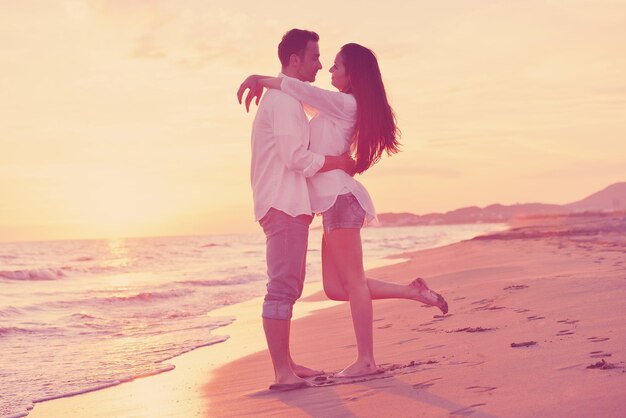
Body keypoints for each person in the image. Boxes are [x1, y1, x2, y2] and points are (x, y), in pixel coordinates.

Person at [239, 42, 449, 379]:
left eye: (336, 66)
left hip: (339, 198)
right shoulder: (336, 107)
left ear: (353, 75)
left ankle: (366, 360)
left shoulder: (344, 103)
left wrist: (259, 78)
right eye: (326, 63)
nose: (329, 70)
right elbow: (297, 97)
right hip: (330, 203)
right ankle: (414, 292)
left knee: (351, 283)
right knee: (337, 288)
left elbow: (295, 87)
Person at [239, 29, 356, 391]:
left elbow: (311, 106)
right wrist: (338, 161)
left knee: (289, 284)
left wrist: (262, 78)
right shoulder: (285, 102)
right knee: (282, 287)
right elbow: (296, 158)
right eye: (315, 57)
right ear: (294, 60)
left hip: (285, 201)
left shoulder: (285, 96)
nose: (320, 65)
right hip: (283, 201)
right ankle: (281, 373)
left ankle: (287, 363)